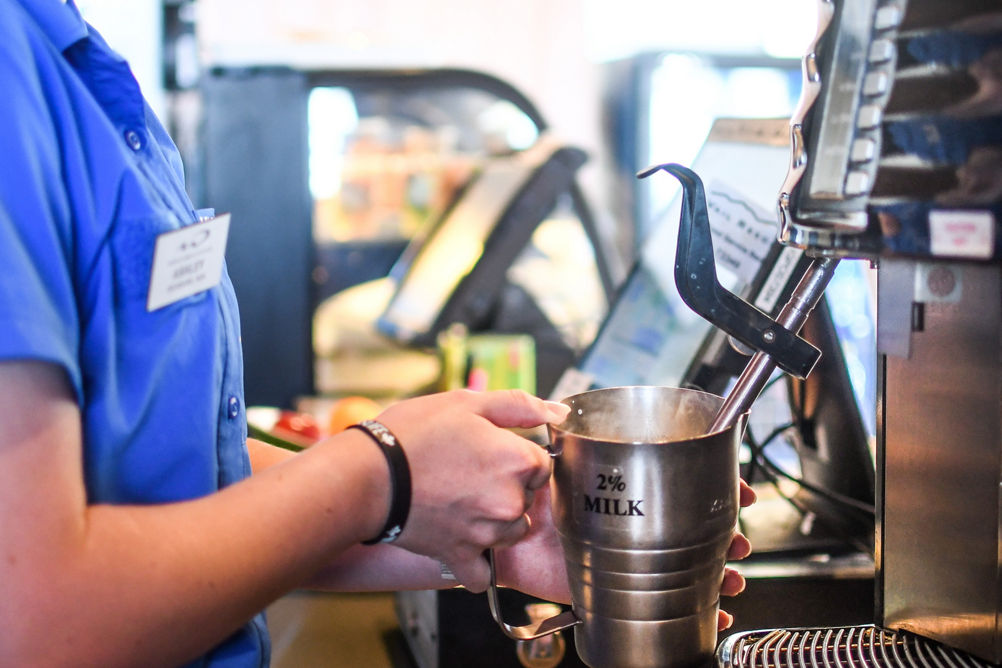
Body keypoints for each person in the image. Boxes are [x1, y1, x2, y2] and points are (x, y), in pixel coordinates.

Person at [0, 1, 754, 666]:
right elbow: (34, 619)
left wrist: (498, 537)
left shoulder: (69, 63)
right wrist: (382, 472)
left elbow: (181, 484)